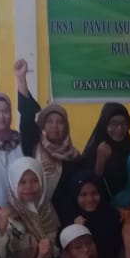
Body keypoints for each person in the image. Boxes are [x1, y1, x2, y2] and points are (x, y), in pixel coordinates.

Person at [15, 59, 83, 213]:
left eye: (60, 122)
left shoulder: (74, 157)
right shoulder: (33, 144)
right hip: (33, 213)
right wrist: (21, 78)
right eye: (50, 121)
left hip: (62, 216)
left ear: (66, 127)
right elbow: (27, 114)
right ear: (43, 125)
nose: (55, 126)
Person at [0, 157, 60, 258]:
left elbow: (54, 246)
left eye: (35, 180)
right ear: (14, 183)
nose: (29, 186)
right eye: (22, 182)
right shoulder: (7, 215)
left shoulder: (48, 210)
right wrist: (2, 229)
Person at [59, 170, 122, 258]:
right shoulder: (68, 218)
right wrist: (76, 230)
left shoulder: (111, 215)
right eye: (83, 195)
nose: (90, 199)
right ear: (75, 195)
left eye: (94, 193)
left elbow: (119, 248)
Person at [82, 102, 130, 197]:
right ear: (104, 124)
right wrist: (100, 161)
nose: (120, 128)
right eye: (113, 123)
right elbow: (88, 188)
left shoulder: (129, 149)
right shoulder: (92, 151)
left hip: (129, 204)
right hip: (101, 204)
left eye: (124, 123)